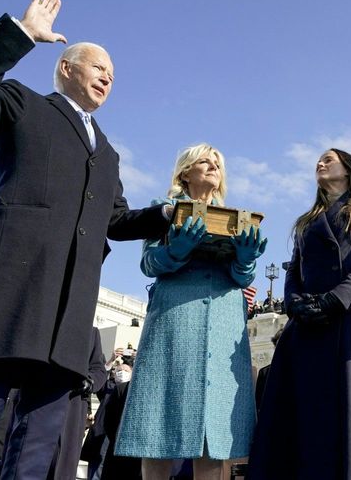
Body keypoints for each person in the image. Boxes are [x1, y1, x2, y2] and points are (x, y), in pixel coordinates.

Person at [0, 0, 171, 480]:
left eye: (113, 72)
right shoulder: (23, 104)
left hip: (68, 309)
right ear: (67, 68)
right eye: (98, 66)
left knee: (39, 441)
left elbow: (117, 220)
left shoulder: (108, 152)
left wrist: (167, 214)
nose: (108, 76)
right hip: (11, 293)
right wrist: (21, 35)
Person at [248, 148, 351, 479]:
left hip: (349, 319)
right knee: (300, 411)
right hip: (305, 324)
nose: (320, 163)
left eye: (328, 159)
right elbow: (293, 269)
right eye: (319, 160)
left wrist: (337, 298)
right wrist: (293, 302)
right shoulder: (307, 220)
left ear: (348, 169)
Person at [116, 144, 267, 479]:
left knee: (213, 435)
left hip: (226, 322)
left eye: (218, 162)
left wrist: (246, 259)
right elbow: (148, 263)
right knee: (158, 427)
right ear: (185, 172)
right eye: (205, 160)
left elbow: (243, 277)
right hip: (175, 322)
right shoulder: (163, 210)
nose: (213, 166)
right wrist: (176, 249)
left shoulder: (235, 219)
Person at [46, 327, 108, 480]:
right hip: (40, 400)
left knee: (63, 468)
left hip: (73, 407)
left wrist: (89, 381)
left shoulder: (91, 332)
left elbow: (98, 369)